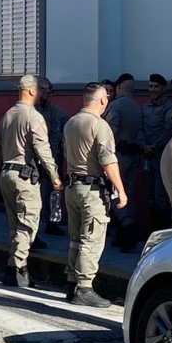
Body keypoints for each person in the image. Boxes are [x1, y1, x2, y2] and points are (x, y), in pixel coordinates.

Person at [0, 75, 63, 288]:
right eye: (40, 90)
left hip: (7, 173)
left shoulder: (8, 114)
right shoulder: (34, 116)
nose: (42, 94)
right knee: (28, 225)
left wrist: (1, 169)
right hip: (25, 177)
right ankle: (14, 269)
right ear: (31, 91)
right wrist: (54, 175)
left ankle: (20, 269)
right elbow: (43, 149)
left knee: (15, 225)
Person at [63, 82, 127, 307]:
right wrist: (121, 190)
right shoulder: (100, 125)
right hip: (92, 190)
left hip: (73, 187)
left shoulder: (71, 122)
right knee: (92, 238)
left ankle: (72, 283)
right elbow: (108, 161)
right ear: (102, 100)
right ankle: (84, 287)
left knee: (75, 239)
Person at [104, 76, 142, 253]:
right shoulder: (137, 107)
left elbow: (110, 133)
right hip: (133, 155)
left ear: (118, 87)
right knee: (129, 191)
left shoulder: (116, 106)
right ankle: (126, 228)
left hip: (118, 155)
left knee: (116, 192)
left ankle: (127, 226)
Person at [36, 76, 68, 240]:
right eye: (44, 90)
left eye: (50, 91)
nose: (48, 94)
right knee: (35, 196)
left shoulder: (58, 112)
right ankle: (33, 228)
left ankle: (52, 223)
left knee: (54, 192)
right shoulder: (30, 112)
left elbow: (67, 130)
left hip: (54, 159)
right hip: (35, 162)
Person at [141, 73, 172, 231]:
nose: (153, 89)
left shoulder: (169, 107)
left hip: (162, 155)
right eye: (151, 86)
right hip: (147, 156)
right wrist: (143, 145)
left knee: (161, 195)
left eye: (156, 86)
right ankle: (152, 230)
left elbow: (168, 129)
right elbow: (140, 128)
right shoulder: (145, 107)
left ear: (164, 88)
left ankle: (163, 231)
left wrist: (154, 146)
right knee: (149, 194)